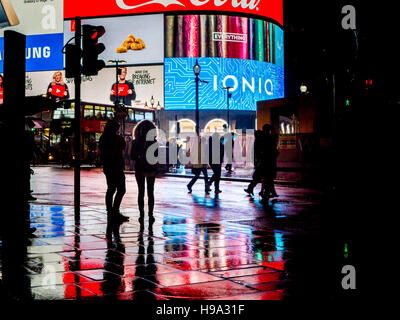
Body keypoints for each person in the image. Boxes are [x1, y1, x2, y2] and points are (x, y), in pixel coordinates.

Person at [99, 119, 129, 224]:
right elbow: (122, 147)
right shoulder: (118, 139)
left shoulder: (103, 138)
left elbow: (102, 152)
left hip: (108, 167)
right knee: (121, 189)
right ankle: (115, 210)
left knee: (111, 189)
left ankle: (110, 211)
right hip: (116, 166)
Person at [131, 119, 159, 223]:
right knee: (150, 192)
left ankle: (141, 213)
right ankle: (150, 214)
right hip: (151, 168)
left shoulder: (136, 142)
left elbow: (132, 156)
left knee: (141, 191)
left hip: (140, 168)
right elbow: (156, 157)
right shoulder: (154, 142)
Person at [244, 130, 266, 196]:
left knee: (257, 177)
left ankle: (251, 188)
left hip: (259, 162)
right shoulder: (260, 142)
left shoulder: (257, 142)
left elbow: (253, 153)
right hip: (260, 162)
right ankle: (253, 189)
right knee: (259, 177)